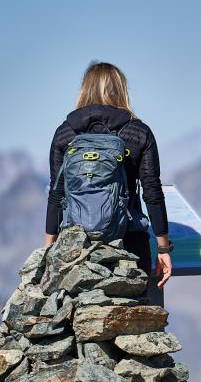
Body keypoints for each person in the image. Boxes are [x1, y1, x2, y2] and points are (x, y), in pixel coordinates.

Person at [45, 62, 173, 302]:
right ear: (121, 89)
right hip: (129, 241)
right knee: (132, 327)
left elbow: (56, 194)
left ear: (84, 89)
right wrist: (163, 249)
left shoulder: (65, 133)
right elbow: (152, 192)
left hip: (77, 244)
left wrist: (48, 248)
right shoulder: (137, 133)